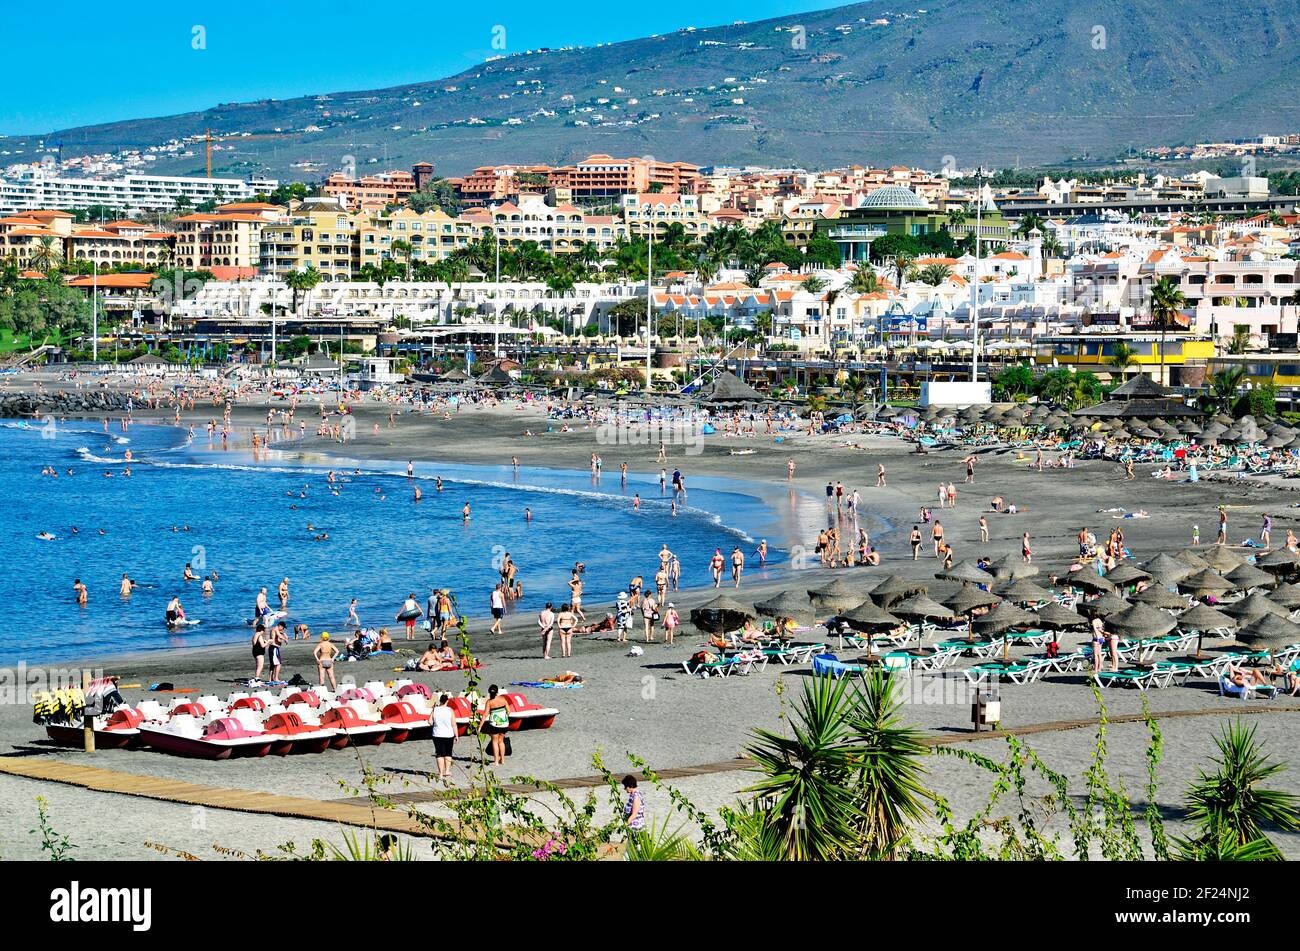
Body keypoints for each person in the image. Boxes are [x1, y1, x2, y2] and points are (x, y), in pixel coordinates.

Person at [479, 685, 511, 766]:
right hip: (504, 723)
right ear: (497, 692)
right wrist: (504, 717)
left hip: (494, 724)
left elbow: (485, 715)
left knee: (495, 742)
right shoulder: (503, 699)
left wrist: (480, 727)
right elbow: (509, 711)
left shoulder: (489, 702)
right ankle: (502, 760)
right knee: (501, 741)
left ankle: (496, 761)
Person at [431, 693, 456, 780]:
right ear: (447, 701)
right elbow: (454, 724)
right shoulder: (450, 710)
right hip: (448, 734)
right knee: (448, 753)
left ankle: (440, 774)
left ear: (440, 701)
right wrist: (456, 735)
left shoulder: (435, 710)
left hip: (437, 734)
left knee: (439, 754)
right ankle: (447, 771)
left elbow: (430, 722)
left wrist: (432, 710)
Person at [622, 775, 645, 840]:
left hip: (636, 827)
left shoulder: (636, 796)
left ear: (630, 786)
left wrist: (625, 825)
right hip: (632, 826)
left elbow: (634, 814)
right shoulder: (632, 795)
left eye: (625, 786)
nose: (624, 788)